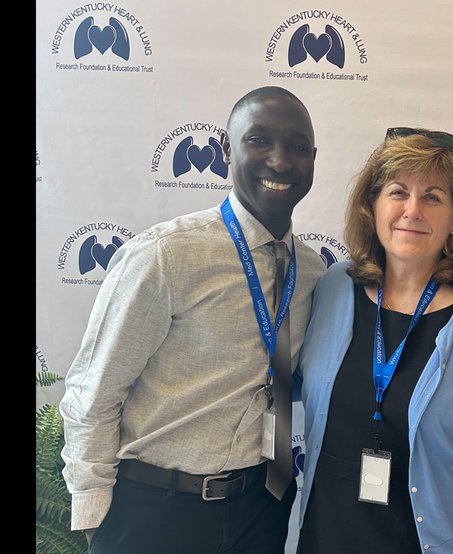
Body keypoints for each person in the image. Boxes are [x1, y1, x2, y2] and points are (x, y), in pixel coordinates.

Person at [58, 85, 327, 554]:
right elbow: (92, 394)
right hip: (156, 510)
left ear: (313, 159)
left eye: (297, 147)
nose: (280, 161)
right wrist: (94, 516)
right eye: (259, 140)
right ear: (226, 149)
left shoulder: (314, 274)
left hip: (261, 510)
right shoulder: (166, 255)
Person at [295, 128, 453, 554]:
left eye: (433, 197)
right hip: (327, 535)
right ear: (372, 204)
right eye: (397, 192)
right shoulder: (333, 287)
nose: (412, 210)